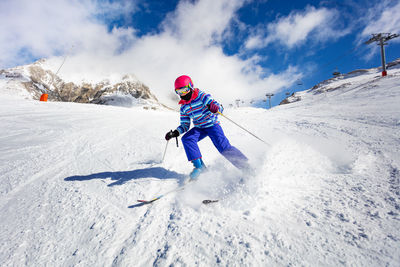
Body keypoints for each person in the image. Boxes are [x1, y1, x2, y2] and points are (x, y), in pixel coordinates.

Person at [165, 75, 250, 179]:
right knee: (187, 139)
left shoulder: (201, 96)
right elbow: (185, 125)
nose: (183, 94)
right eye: (179, 91)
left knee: (223, 147)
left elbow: (218, 107)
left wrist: (215, 108)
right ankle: (200, 168)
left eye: (185, 90)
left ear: (191, 87)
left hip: (212, 125)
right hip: (200, 128)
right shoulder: (184, 107)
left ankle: (247, 168)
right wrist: (175, 132)